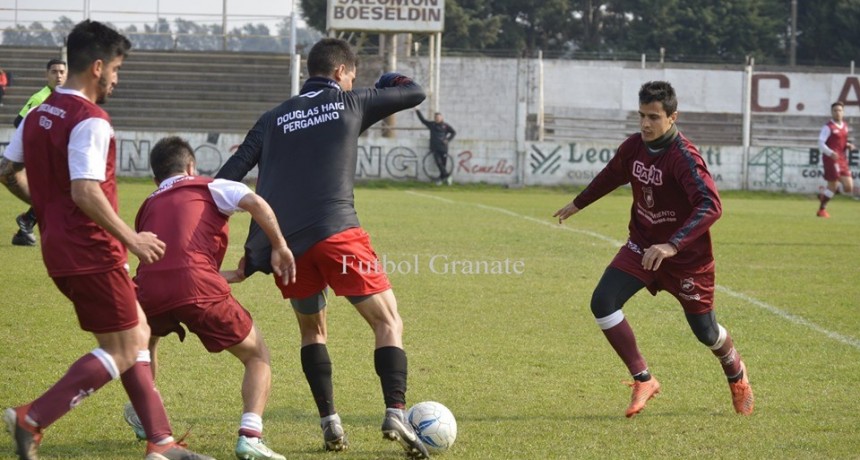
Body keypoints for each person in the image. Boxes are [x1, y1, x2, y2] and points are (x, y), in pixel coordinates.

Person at [0, 20, 212, 460]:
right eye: (116, 68)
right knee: (126, 345)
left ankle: (160, 441)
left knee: (134, 333)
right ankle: (32, 418)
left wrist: (47, 212)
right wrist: (131, 238)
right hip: (93, 251)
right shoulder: (91, 120)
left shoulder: (39, 112)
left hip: (61, 249)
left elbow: (7, 170)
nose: (117, 78)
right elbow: (85, 190)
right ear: (97, 67)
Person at [215, 38, 430, 459]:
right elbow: (415, 91)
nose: (352, 82)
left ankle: (330, 421)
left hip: (285, 249)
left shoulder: (273, 118)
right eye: (351, 76)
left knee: (312, 331)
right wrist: (386, 80)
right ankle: (395, 412)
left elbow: (226, 180)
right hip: (337, 235)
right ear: (339, 74)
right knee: (388, 322)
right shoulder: (350, 102)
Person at [553, 81, 754, 418]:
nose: (646, 124)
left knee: (705, 331)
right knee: (603, 302)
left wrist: (673, 244)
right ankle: (643, 379)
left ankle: (736, 373)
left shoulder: (684, 158)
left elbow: (710, 205)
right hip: (643, 246)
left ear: (672, 118)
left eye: (654, 117)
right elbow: (611, 175)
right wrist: (578, 203)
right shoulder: (634, 147)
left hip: (687, 259)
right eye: (642, 116)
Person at [121, 136, 296, 460]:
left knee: (148, 345)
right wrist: (280, 246)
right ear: (191, 166)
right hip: (196, 287)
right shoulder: (209, 186)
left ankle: (142, 412)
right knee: (257, 356)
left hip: (148, 289)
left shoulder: (148, 204)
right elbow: (256, 203)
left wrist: (229, 274)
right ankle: (250, 436)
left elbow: (170, 262)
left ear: (156, 178)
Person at [10, 58, 68, 247]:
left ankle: (25, 227)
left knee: (57, 191)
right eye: (54, 72)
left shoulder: (66, 99)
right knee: (57, 192)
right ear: (47, 75)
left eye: (61, 72)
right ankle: (30, 223)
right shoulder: (39, 98)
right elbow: (19, 122)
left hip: (55, 156)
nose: (58, 76)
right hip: (40, 156)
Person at [815, 101, 855, 217]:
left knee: (848, 187)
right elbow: (821, 143)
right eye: (835, 110)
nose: (837, 112)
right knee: (833, 186)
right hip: (831, 159)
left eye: (840, 110)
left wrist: (847, 145)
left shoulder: (845, 126)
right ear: (832, 112)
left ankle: (825, 194)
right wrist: (830, 152)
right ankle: (822, 210)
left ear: (843, 112)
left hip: (842, 159)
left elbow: (840, 141)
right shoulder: (828, 127)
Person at [415, 109, 456, 185]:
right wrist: (417, 111)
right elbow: (423, 120)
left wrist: (448, 139)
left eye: (438, 117)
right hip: (435, 148)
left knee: (443, 165)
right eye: (436, 117)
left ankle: (441, 179)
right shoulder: (432, 125)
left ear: (442, 118)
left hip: (443, 148)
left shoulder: (446, 126)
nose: (437, 119)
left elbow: (453, 132)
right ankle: (448, 176)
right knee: (439, 163)